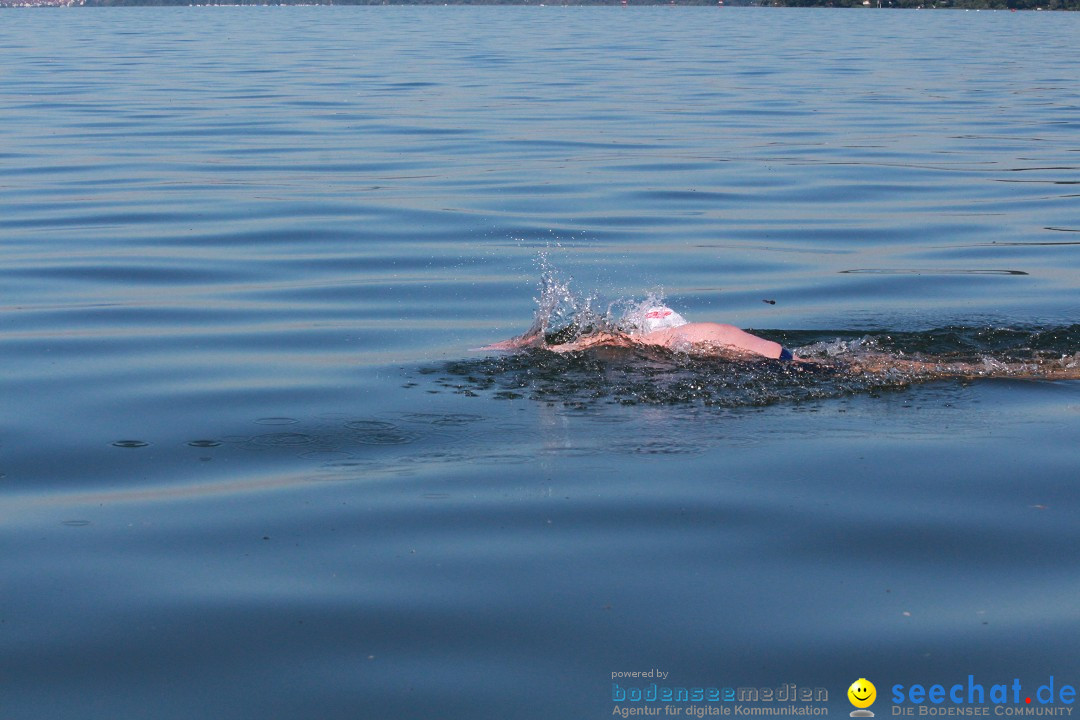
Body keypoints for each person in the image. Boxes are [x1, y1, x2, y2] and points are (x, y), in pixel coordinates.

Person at [482, 306, 1080, 382]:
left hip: (788, 364)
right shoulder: (692, 330)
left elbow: (602, 338)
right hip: (784, 356)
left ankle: (1050, 372)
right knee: (895, 365)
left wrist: (532, 347)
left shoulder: (666, 339)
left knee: (912, 370)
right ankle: (1049, 370)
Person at [482, 305, 800, 361]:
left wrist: (546, 348)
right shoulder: (703, 328)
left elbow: (609, 338)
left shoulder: (658, 339)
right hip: (779, 352)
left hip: (756, 363)